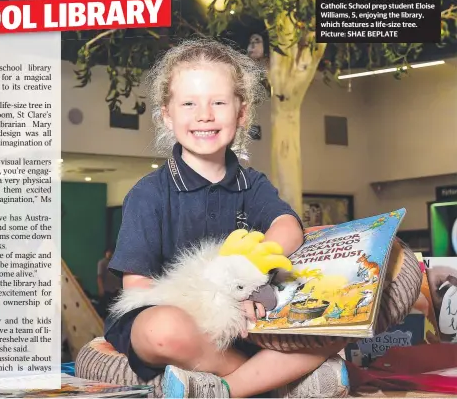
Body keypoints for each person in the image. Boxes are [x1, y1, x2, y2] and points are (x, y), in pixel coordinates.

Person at [104, 38, 349, 398]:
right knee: (162, 329)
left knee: (336, 324)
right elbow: (136, 288)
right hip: (180, 323)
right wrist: (209, 305)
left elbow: (288, 227)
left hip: (249, 319)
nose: (205, 114)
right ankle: (269, 383)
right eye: (189, 103)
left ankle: (226, 390)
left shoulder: (253, 183)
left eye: (218, 102)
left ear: (242, 112)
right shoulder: (148, 193)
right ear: (167, 115)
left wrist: (246, 276)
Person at [97, 247, 122, 316]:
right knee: (104, 310)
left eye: (111, 252)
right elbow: (99, 277)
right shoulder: (102, 262)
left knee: (115, 310)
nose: (110, 254)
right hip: (106, 289)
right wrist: (101, 288)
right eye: (108, 252)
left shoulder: (117, 263)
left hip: (116, 289)